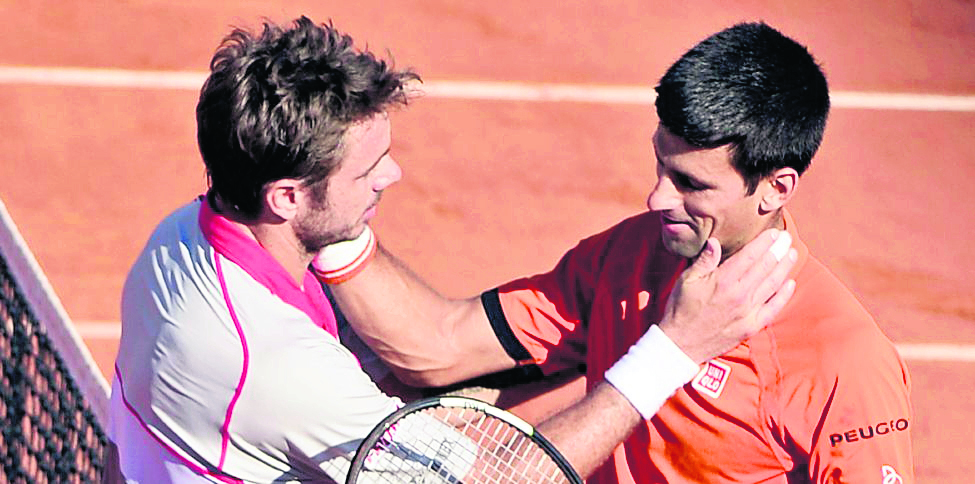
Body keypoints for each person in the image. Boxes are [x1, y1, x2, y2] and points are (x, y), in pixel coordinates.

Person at [106, 17, 797, 483]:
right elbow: (498, 480)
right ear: (287, 197)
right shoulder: (280, 372)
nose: (392, 175)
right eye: (365, 170)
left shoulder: (180, 236)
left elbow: (428, 353)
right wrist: (672, 352)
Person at [328, 22, 914, 483]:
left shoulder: (844, 360)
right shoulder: (632, 254)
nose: (657, 198)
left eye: (691, 184)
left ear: (775, 189)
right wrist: (324, 209)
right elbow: (442, 345)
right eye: (660, 165)